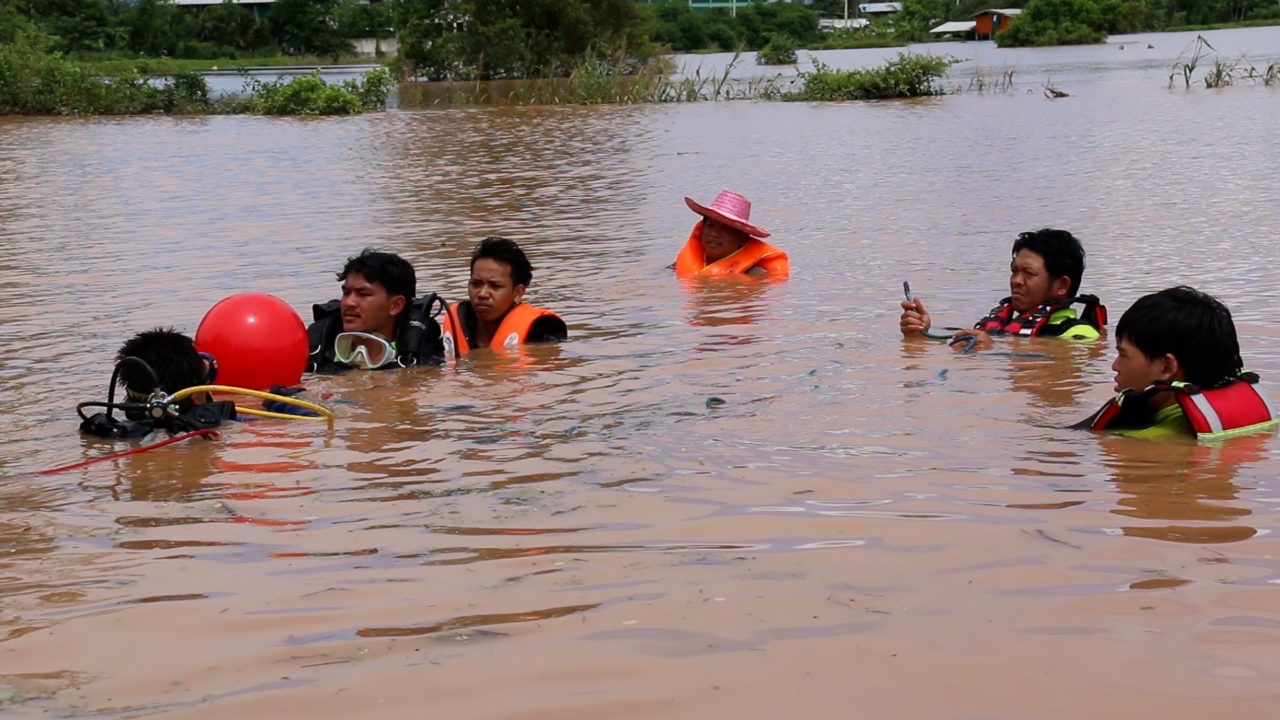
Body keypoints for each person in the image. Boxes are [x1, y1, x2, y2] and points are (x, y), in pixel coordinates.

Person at [1076, 286, 1278, 440]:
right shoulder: (1241, 424)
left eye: (1123, 355)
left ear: (1166, 367)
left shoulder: (1144, 444)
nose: (1115, 366)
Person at [900, 229, 1105, 347]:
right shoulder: (1001, 328)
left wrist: (993, 349)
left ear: (1061, 285)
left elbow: (1063, 365)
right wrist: (920, 335)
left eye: (1029, 274)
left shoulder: (1081, 333)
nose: (1016, 280)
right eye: (1014, 271)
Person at [307, 249, 444, 372]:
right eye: (346, 293)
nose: (348, 302)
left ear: (395, 305)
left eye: (363, 294)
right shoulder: (315, 348)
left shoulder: (424, 357)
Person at [441, 236, 567, 357]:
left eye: (495, 286)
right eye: (476, 284)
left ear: (518, 293)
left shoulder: (541, 335)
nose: (482, 294)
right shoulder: (449, 336)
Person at [674, 190, 789, 277]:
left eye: (725, 229)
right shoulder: (677, 266)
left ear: (742, 239)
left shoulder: (755, 274)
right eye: (710, 226)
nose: (714, 234)